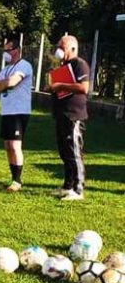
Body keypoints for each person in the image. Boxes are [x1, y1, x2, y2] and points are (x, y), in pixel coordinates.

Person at [46, 35, 90, 201]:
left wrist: (62, 85)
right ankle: (67, 186)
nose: (58, 50)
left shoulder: (80, 64)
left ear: (72, 48)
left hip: (74, 115)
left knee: (74, 151)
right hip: (61, 115)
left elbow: (83, 88)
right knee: (64, 152)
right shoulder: (63, 66)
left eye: (62, 47)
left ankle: (78, 189)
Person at [0, 38, 33, 192]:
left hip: (19, 112)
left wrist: (3, 84)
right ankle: (12, 178)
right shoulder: (6, 68)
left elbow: (12, 82)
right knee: (8, 146)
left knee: (15, 146)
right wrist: (2, 84)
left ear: (16, 50)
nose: (5, 53)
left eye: (8, 50)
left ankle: (17, 181)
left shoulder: (24, 66)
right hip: (7, 111)